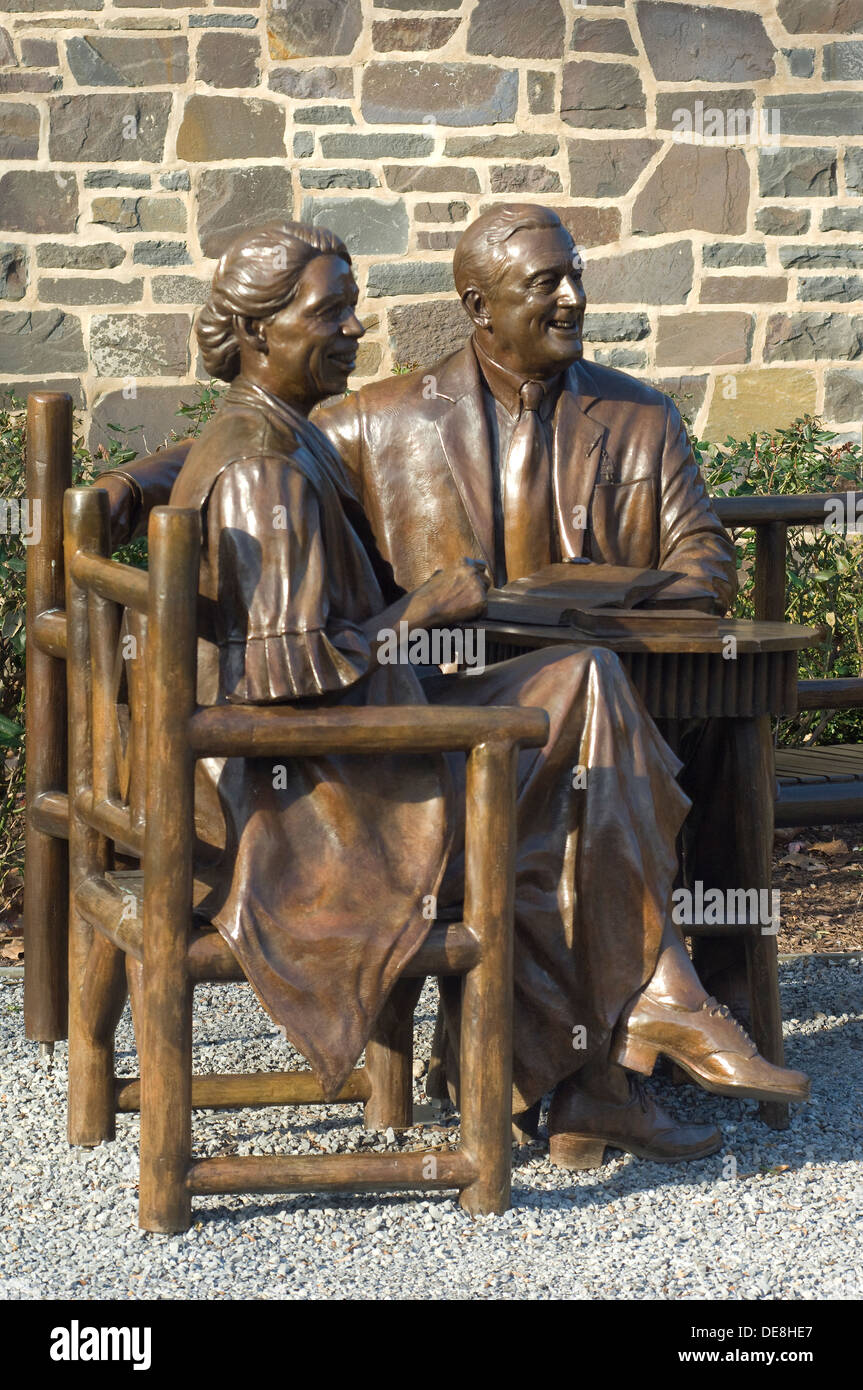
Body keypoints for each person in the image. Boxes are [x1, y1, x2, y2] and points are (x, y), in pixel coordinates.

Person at [105, 217, 809, 1167]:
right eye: (333, 312)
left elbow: (705, 562)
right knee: (574, 748)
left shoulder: (635, 416)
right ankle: (623, 1042)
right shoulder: (312, 442)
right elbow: (281, 652)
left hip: (395, 735)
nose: (355, 328)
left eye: (577, 277)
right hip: (328, 798)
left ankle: (605, 1061)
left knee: (589, 718)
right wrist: (429, 603)